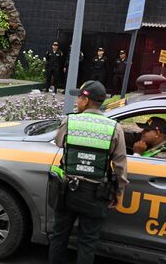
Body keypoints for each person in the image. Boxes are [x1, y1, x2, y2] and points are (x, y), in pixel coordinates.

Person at [48, 80, 128, 264]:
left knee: (59, 236)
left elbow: (59, 142)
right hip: (96, 194)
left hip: (67, 191)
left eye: (79, 97)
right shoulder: (114, 127)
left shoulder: (71, 121)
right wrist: (119, 191)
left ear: (86, 99)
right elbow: (120, 164)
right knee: (87, 242)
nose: (76, 101)